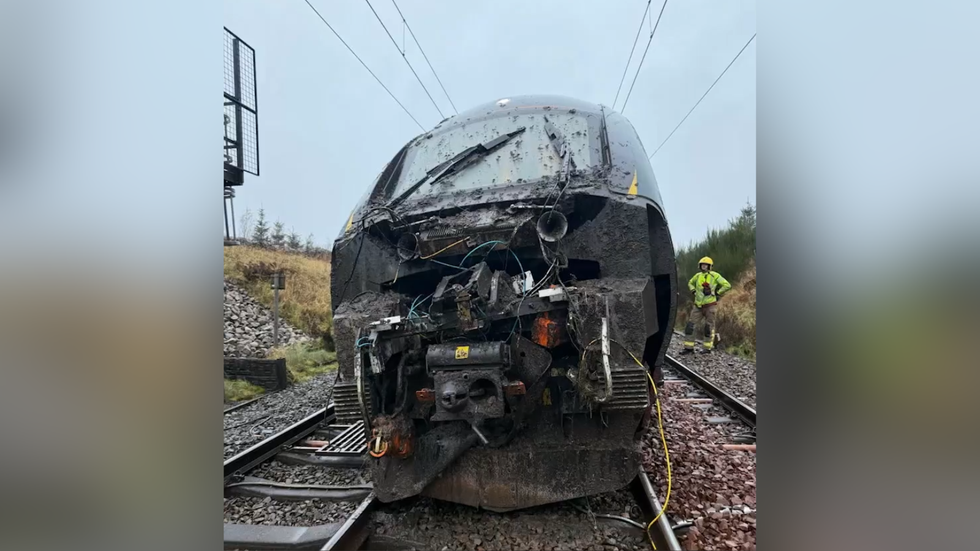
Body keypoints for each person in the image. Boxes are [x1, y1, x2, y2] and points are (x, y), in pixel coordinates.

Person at [682, 256, 731, 353]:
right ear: (700, 266)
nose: (704, 266)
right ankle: (688, 348)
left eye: (706, 265)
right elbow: (690, 283)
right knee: (691, 326)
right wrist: (693, 291)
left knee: (709, 327)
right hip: (698, 306)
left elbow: (727, 285)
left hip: (710, 305)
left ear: (710, 266)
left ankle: (707, 348)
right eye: (702, 265)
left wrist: (717, 293)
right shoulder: (697, 276)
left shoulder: (715, 275)